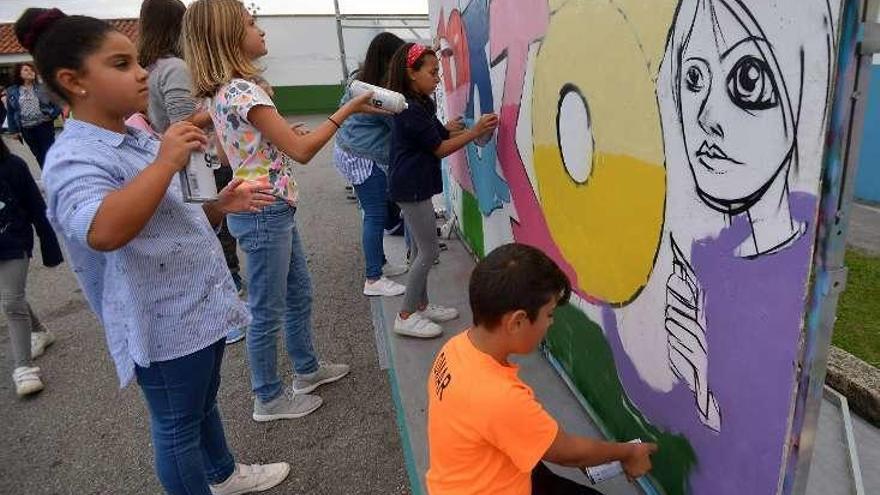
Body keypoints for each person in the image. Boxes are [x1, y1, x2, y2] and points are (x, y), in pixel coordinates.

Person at [15, 7, 287, 494]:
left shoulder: (134, 134)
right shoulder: (75, 156)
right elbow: (102, 229)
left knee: (201, 404)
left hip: (195, 309)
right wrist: (165, 161)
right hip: (161, 322)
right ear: (73, 81)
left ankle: (223, 473)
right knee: (177, 425)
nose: (141, 72)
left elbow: (169, 217)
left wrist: (220, 205)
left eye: (135, 61)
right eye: (120, 65)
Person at [182, 0, 384, 422]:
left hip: (267, 209)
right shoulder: (245, 90)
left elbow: (230, 150)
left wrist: (273, 140)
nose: (262, 30)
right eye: (251, 23)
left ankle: (307, 370)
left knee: (297, 295)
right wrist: (346, 110)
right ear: (227, 36)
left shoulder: (223, 92)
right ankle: (268, 397)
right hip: (264, 212)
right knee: (267, 309)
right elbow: (305, 152)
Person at [426, 243, 657, 494]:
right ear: (517, 322)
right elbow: (568, 454)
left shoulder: (456, 348)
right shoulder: (498, 397)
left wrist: (570, 450)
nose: (551, 323)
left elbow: (540, 438)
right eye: (549, 314)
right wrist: (630, 452)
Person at [137, 0, 246, 345]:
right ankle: (226, 317)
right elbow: (183, 123)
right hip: (197, 166)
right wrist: (225, 104)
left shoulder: (154, 67)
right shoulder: (174, 68)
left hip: (185, 166)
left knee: (206, 234)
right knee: (214, 234)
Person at [385, 43, 497, 339]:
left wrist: (452, 127)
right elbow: (439, 148)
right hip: (411, 187)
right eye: (433, 72)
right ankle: (406, 315)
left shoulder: (420, 102)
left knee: (421, 251)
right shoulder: (410, 109)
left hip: (411, 183)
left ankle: (419, 304)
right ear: (411, 74)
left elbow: (438, 133)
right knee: (429, 251)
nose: (438, 78)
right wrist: (474, 133)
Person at [334, 32, 409, 298]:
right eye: (399, 59)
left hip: (351, 149)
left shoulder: (361, 80)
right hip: (363, 156)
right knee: (375, 214)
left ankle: (382, 264)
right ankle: (373, 278)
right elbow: (397, 125)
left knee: (376, 212)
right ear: (388, 59)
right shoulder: (379, 93)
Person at [0, 138, 62, 396]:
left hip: (12, 244)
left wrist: (50, 248)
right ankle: (39, 330)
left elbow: (38, 209)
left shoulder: (12, 166)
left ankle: (23, 368)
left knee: (11, 302)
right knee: (11, 296)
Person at [5, 62, 62, 168]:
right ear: (19, 74)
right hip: (26, 129)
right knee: (38, 154)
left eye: (31, 70)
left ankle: (56, 174)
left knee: (49, 152)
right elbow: (11, 112)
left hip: (43, 126)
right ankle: (47, 177)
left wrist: (51, 115)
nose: (30, 72)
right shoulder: (12, 91)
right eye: (26, 70)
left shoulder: (43, 88)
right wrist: (14, 131)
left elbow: (58, 103)